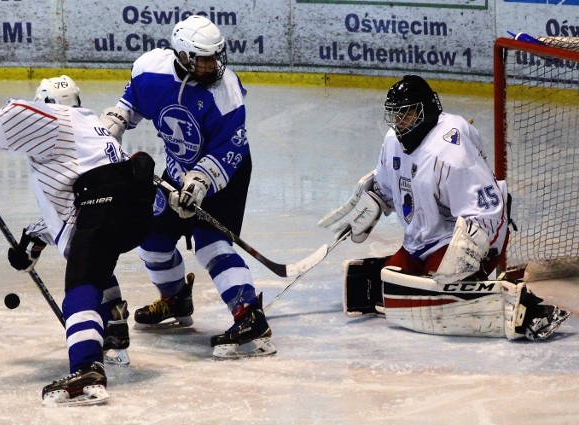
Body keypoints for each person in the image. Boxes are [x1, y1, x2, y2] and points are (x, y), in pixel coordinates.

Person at [0, 76, 157, 406]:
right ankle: (113, 324)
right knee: (94, 255)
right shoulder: (88, 127)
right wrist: (34, 238)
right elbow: (77, 209)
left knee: (81, 278)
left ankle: (87, 367)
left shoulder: (54, 120)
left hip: (105, 201)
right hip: (135, 207)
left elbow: (2, 118)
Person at [319, 75, 570, 341]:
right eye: (395, 116)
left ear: (425, 110)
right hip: (421, 239)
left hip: (463, 234)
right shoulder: (393, 141)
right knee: (390, 286)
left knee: (437, 290)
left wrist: (467, 254)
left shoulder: (450, 152)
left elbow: (489, 211)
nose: (399, 123)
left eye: (407, 115)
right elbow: (386, 188)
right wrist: (371, 203)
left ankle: (526, 307)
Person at [100, 15, 275, 359]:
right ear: (182, 56)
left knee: (211, 242)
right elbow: (130, 106)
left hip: (226, 172)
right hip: (178, 169)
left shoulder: (225, 93)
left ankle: (249, 315)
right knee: (151, 240)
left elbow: (232, 148)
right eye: (204, 59)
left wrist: (200, 182)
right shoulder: (151, 71)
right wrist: (113, 126)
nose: (213, 66)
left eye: (215, 57)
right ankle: (176, 298)